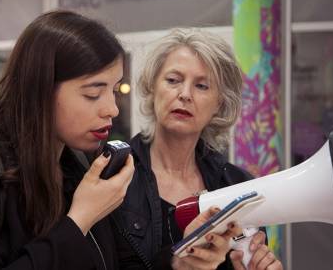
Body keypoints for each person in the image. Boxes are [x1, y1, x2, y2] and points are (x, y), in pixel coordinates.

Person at [0, 10, 135, 270]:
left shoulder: (81, 165)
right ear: (41, 90)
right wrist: (80, 219)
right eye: (93, 93)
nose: (112, 109)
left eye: (115, 90)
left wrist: (177, 259)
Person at [112, 28, 284, 270]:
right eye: (173, 80)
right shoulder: (114, 176)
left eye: (202, 86)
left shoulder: (238, 186)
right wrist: (176, 264)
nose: (184, 94)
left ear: (219, 104)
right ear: (152, 87)